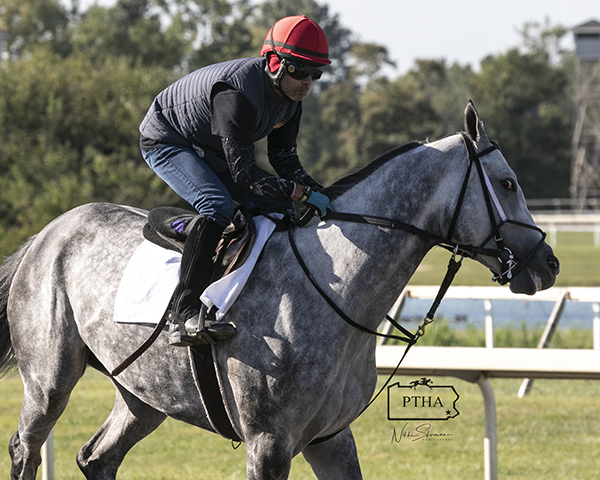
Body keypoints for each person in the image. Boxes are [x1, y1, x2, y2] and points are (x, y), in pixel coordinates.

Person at [139, 15, 331, 346]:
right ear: (274, 62)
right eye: (300, 70)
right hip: (169, 140)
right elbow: (244, 173)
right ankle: (182, 315)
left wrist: (316, 191)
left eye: (316, 73)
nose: (307, 82)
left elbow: (283, 159)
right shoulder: (237, 94)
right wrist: (296, 191)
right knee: (216, 205)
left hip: (212, 148)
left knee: (280, 207)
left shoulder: (292, 102)